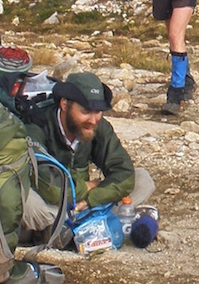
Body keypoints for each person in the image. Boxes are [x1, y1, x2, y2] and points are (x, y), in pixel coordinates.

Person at [21, 71, 149, 211]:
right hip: (51, 202)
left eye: (98, 111)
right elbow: (50, 187)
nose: (93, 120)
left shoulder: (96, 126)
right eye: (86, 111)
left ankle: (86, 219)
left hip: (83, 202)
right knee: (31, 205)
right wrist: (87, 187)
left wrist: (92, 199)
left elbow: (124, 172)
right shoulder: (37, 126)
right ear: (64, 105)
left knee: (143, 180)